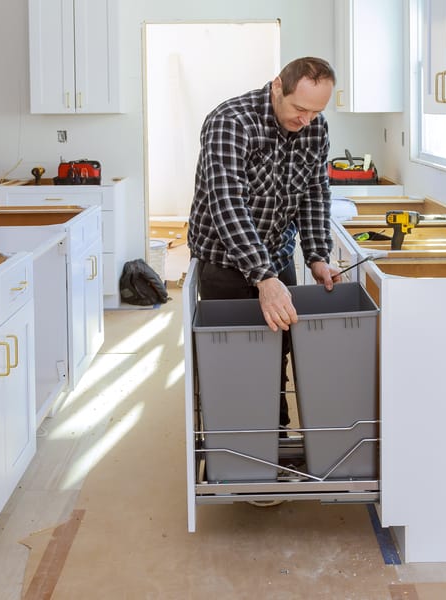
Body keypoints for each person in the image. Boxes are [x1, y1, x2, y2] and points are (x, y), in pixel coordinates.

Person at [188, 56, 343, 429]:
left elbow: (314, 193)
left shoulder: (314, 128)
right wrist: (263, 278)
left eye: (316, 111)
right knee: (234, 361)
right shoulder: (230, 121)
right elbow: (227, 204)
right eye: (300, 108)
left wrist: (317, 255)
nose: (306, 120)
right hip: (223, 261)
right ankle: (234, 449)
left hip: (276, 255)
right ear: (277, 87)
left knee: (279, 354)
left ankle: (275, 441)